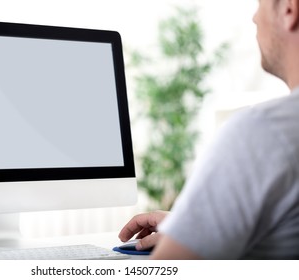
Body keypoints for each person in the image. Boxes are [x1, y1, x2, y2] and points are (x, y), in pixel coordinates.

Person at [119, 0, 299, 259]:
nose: (254, 18)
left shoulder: (264, 133)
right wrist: (192, 228)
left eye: (260, 3)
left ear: (289, 10)